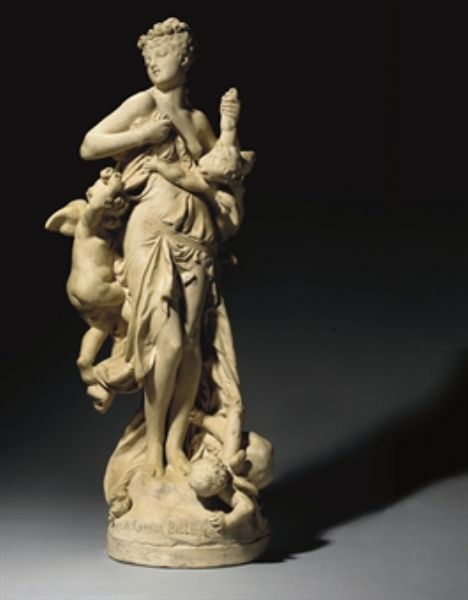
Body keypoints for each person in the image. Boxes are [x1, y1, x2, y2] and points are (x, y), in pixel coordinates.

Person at [80, 18, 244, 478]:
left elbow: (224, 172)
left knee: (190, 344)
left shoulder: (198, 121)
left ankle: (175, 446)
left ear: (185, 58)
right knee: (164, 341)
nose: (153, 62)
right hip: (150, 232)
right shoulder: (144, 103)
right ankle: (153, 449)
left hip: (197, 237)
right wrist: (143, 137)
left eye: (163, 53)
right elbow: (90, 144)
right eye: (148, 56)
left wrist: (228, 132)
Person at [45, 167, 129, 413]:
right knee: (135, 295)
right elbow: (96, 206)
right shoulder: (87, 226)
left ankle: (86, 364)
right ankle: (131, 350)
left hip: (77, 291)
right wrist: (113, 185)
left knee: (101, 326)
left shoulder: (101, 235)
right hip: (95, 288)